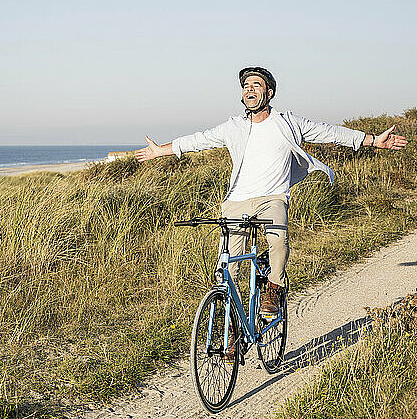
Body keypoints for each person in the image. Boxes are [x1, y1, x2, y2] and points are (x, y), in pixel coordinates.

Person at [135, 67, 408, 320]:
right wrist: (161, 150)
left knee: (278, 241)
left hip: (272, 198)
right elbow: (198, 140)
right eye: (245, 86)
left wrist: (371, 140)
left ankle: (274, 288)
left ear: (269, 93)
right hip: (236, 201)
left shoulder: (288, 123)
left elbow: (329, 132)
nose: (249, 89)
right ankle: (231, 330)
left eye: (256, 85)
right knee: (226, 270)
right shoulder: (234, 127)